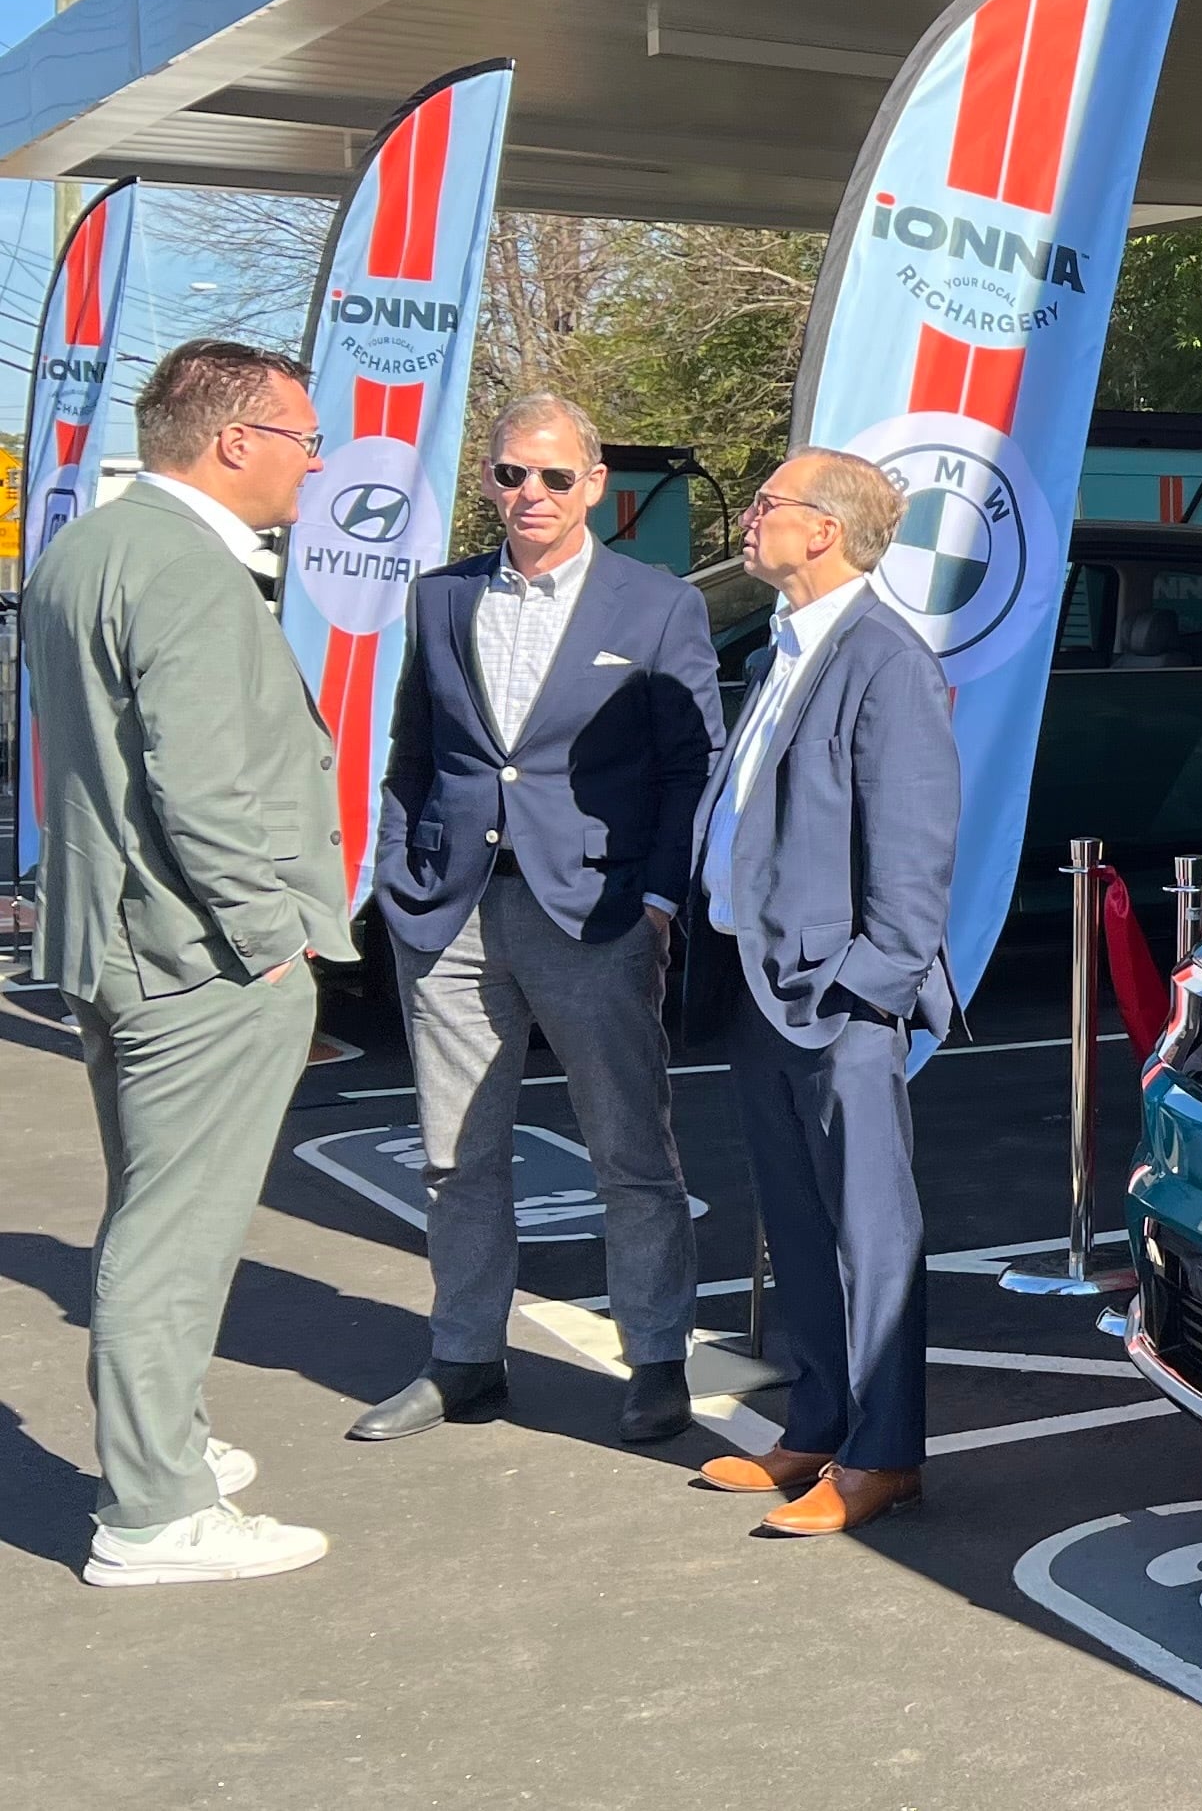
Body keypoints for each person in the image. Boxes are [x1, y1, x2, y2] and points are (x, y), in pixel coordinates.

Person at [29, 340, 349, 1586]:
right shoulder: (189, 573)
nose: (315, 465)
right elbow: (201, 786)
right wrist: (274, 946)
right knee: (177, 1237)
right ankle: (155, 1512)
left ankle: (164, 1450)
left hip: (118, 944)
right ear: (234, 442)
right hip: (199, 961)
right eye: (302, 440)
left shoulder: (87, 551)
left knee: (149, 1217)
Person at [351, 393, 722, 1446]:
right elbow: (413, 755)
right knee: (455, 1157)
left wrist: (657, 899)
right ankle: (464, 1358)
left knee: (629, 1153)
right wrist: (397, 877)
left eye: (555, 477)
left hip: (596, 913)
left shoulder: (656, 606)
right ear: (489, 483)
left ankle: (655, 1360)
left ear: (596, 486)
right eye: (512, 474)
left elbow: (688, 766)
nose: (532, 495)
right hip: (452, 913)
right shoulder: (439, 600)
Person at [684, 450, 956, 1536]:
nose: (749, 519)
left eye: (768, 505)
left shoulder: (884, 658)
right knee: (795, 1220)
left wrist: (866, 984)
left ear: (827, 531)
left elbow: (916, 844)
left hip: (832, 995)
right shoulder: (784, 653)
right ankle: (819, 1423)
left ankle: (883, 1456)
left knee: (870, 1230)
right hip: (761, 981)